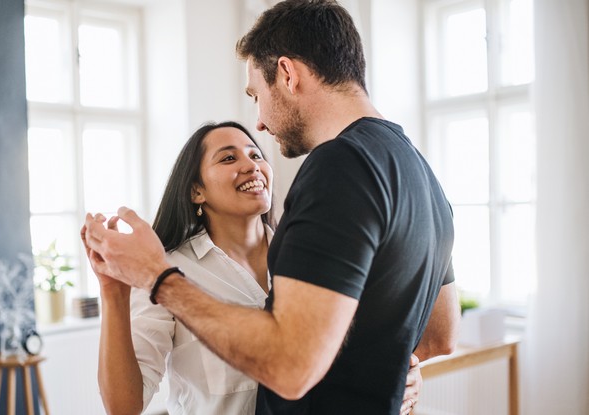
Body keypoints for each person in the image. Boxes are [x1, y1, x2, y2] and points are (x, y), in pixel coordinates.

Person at [83, 1, 460, 414]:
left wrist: (158, 277)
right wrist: (385, 372)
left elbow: (292, 367)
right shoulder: (419, 169)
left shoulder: (339, 166)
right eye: (228, 158)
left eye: (256, 95)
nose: (260, 122)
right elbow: (438, 336)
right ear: (195, 191)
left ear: (287, 73)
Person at [81, 121, 423, 415]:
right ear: (196, 191)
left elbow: (348, 348)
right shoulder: (164, 271)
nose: (251, 165)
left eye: (256, 154)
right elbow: (124, 406)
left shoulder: (313, 256)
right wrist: (113, 293)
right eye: (229, 157)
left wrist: (399, 375)